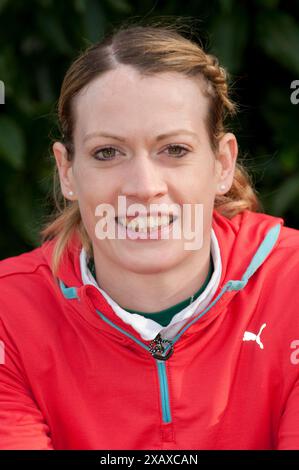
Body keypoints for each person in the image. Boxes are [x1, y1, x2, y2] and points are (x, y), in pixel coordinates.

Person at [0, 22, 299, 451]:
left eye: (174, 150)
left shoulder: (293, 285)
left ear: (222, 164)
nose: (143, 186)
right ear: (67, 171)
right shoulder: (8, 312)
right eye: (108, 152)